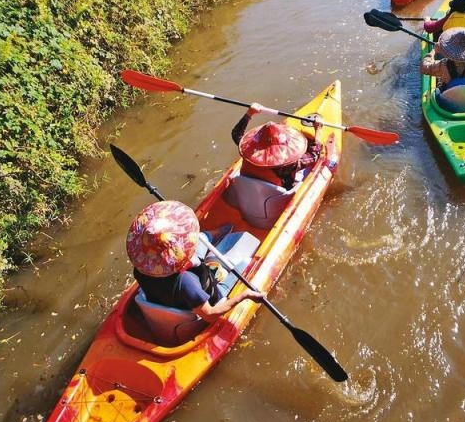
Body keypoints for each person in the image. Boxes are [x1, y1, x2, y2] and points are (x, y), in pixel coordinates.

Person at [127, 200, 265, 319]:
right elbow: (209, 315)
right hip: (214, 295)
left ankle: (215, 234)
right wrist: (244, 295)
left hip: (180, 293)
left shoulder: (140, 270)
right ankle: (225, 269)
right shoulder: (186, 283)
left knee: (200, 237)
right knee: (247, 262)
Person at [232, 105, 323, 189]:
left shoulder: (246, 148)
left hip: (249, 187)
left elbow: (236, 133)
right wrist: (318, 129)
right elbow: (314, 155)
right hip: (277, 193)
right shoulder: (288, 166)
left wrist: (249, 113)